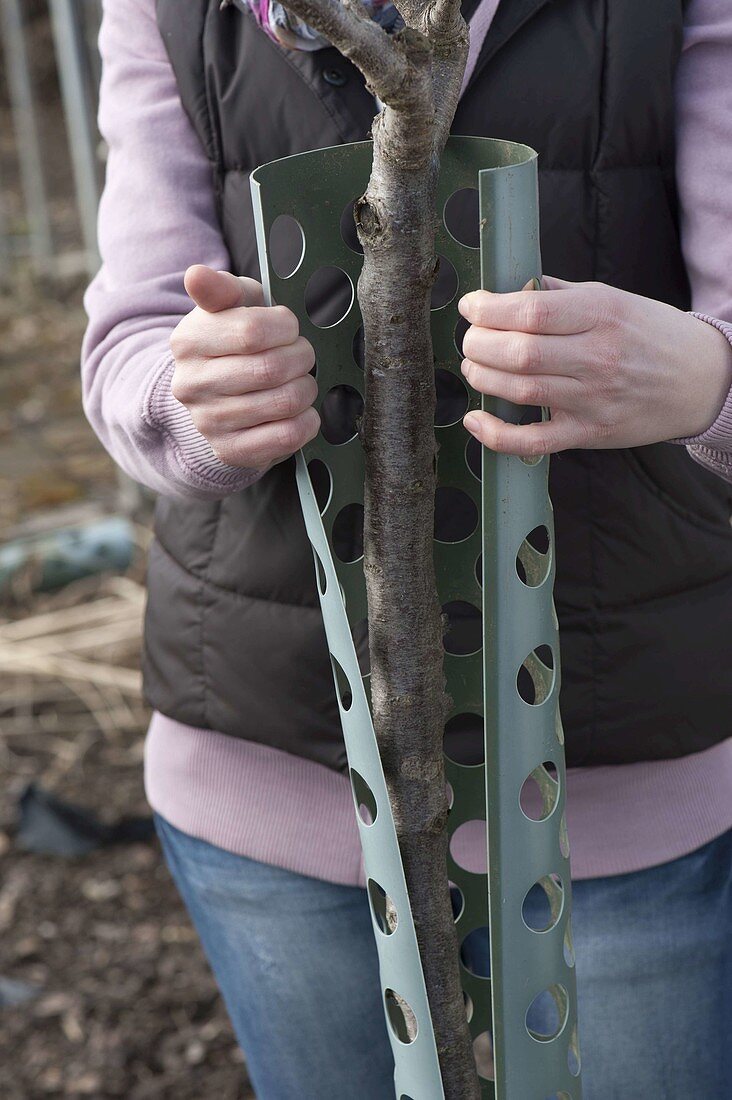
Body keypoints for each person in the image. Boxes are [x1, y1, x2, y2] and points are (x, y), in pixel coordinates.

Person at [82, 0, 732, 1096]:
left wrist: (705, 379)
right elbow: (128, 346)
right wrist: (192, 397)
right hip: (272, 770)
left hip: (618, 780)